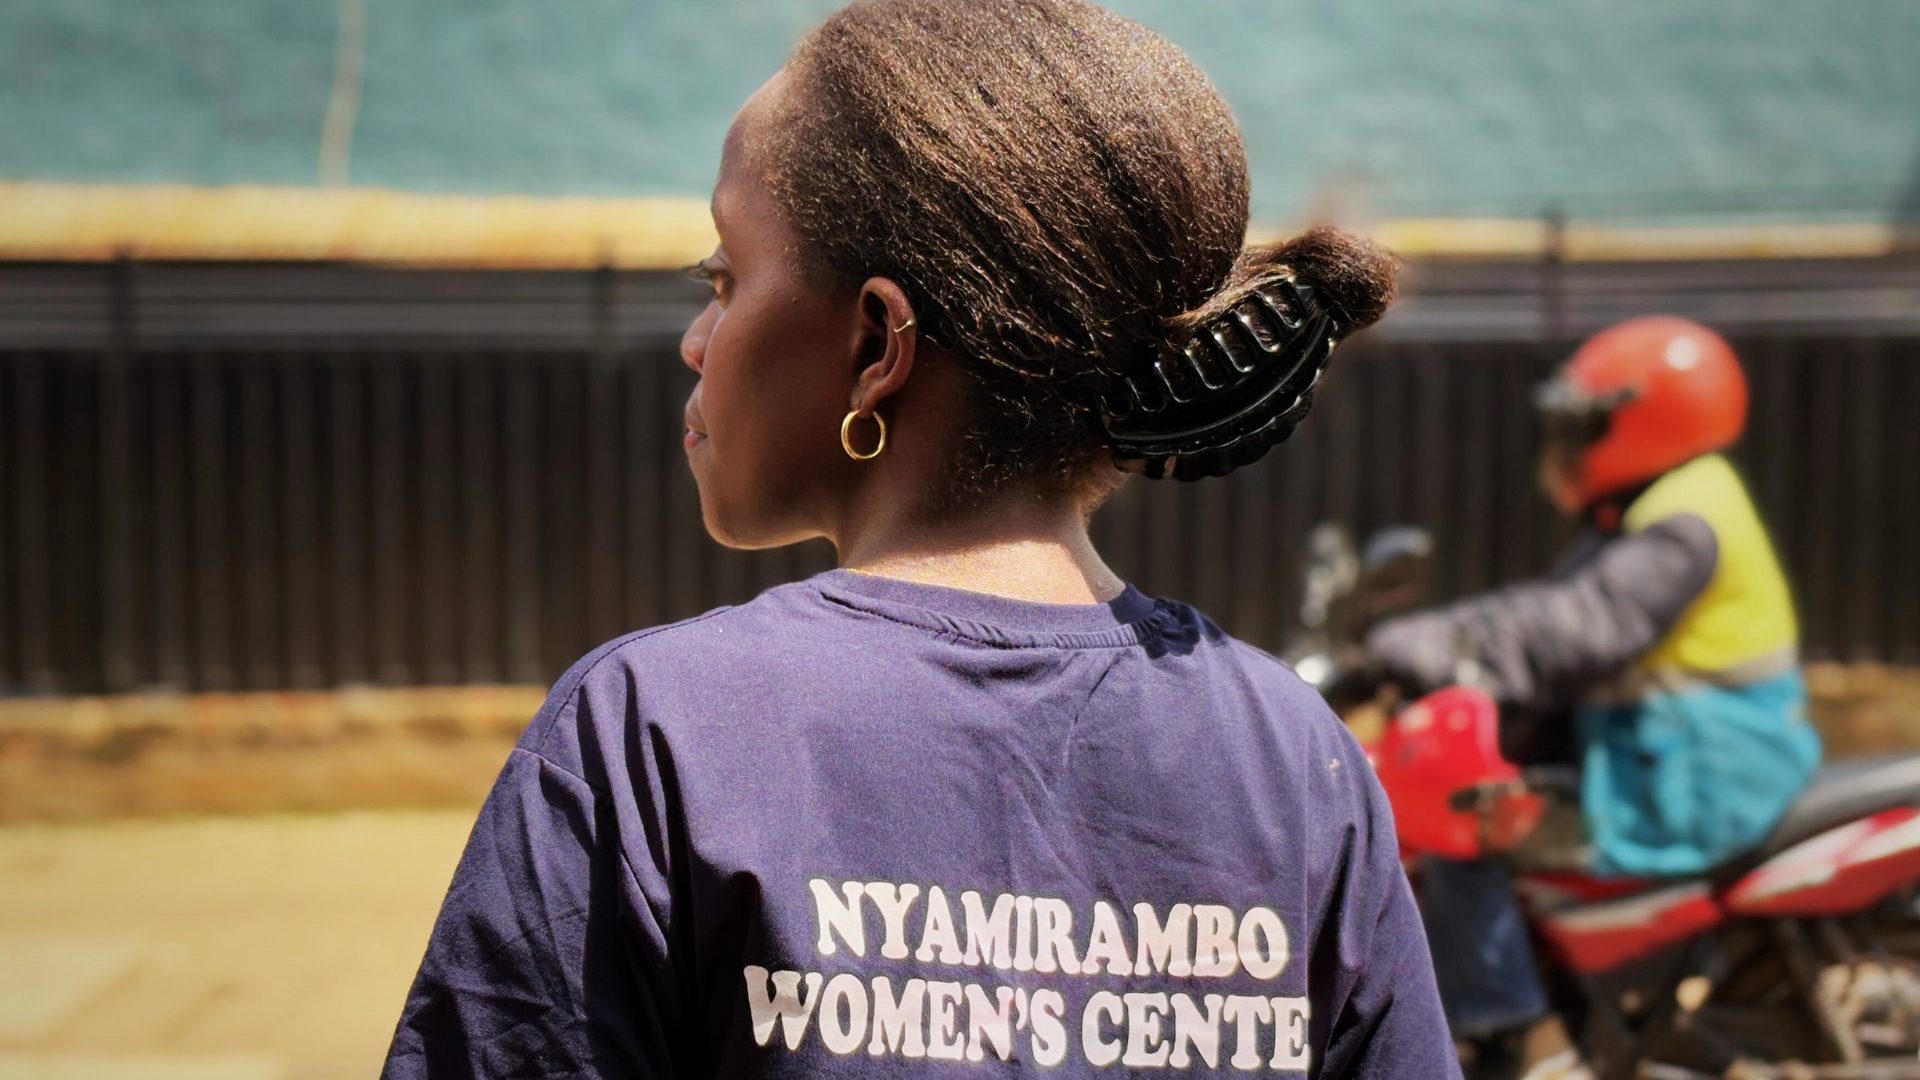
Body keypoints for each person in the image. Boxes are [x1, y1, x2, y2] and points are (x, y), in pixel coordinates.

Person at [380, 1, 1458, 1076]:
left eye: (724, 278)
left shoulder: (655, 736)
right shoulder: (1296, 764)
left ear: (875, 344)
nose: (696, 340)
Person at [1365, 316, 1822, 1078]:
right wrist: (1444, 638)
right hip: (1676, 759)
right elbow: (1548, 615)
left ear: (1642, 421)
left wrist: (1437, 646)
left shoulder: (1682, 524)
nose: (1567, 445)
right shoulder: (1669, 502)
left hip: (1695, 780)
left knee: (1464, 820)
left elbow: (1575, 629)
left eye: (1584, 424)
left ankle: (1525, 1038)